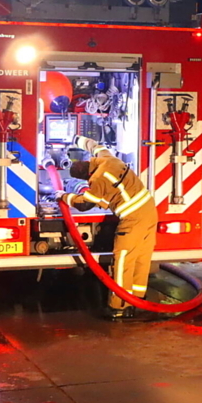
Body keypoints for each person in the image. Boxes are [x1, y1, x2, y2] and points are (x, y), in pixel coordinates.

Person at [56, 136, 157, 321]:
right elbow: (94, 145)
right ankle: (137, 299)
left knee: (122, 262)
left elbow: (84, 205)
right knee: (141, 259)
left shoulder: (97, 180)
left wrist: (64, 196)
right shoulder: (107, 158)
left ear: (86, 176)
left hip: (133, 219)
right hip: (150, 212)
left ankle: (119, 307)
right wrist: (77, 139)